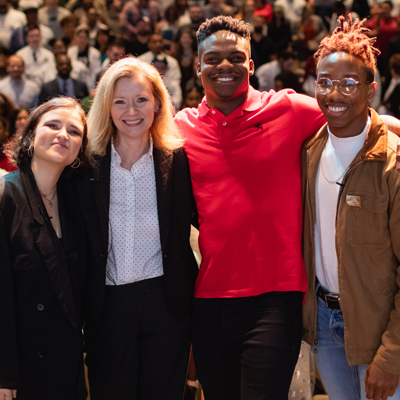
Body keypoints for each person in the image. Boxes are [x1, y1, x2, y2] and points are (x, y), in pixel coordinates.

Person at [173, 15, 326, 400]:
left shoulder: (289, 109)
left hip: (275, 297)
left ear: (252, 65)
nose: (225, 66)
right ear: (197, 66)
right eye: (213, 59)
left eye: (235, 57)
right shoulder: (179, 127)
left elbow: (354, 119)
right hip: (208, 299)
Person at [74, 57, 198, 400]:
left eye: (141, 99)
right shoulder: (86, 164)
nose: (132, 110)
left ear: (158, 103)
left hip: (166, 302)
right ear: (106, 107)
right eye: (120, 101)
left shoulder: (179, 159)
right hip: (107, 305)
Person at [302, 16, 400, 400]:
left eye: (348, 83)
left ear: (371, 90)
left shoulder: (391, 163)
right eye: (324, 82)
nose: (334, 94)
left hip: (379, 329)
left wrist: (391, 355)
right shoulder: (309, 150)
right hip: (326, 324)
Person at [0, 97, 93, 399]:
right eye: (53, 125)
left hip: (65, 362)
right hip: (19, 369)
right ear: (29, 136)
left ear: (80, 149)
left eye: (74, 131)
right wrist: (5, 374)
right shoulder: (5, 195)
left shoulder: (76, 202)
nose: (63, 134)